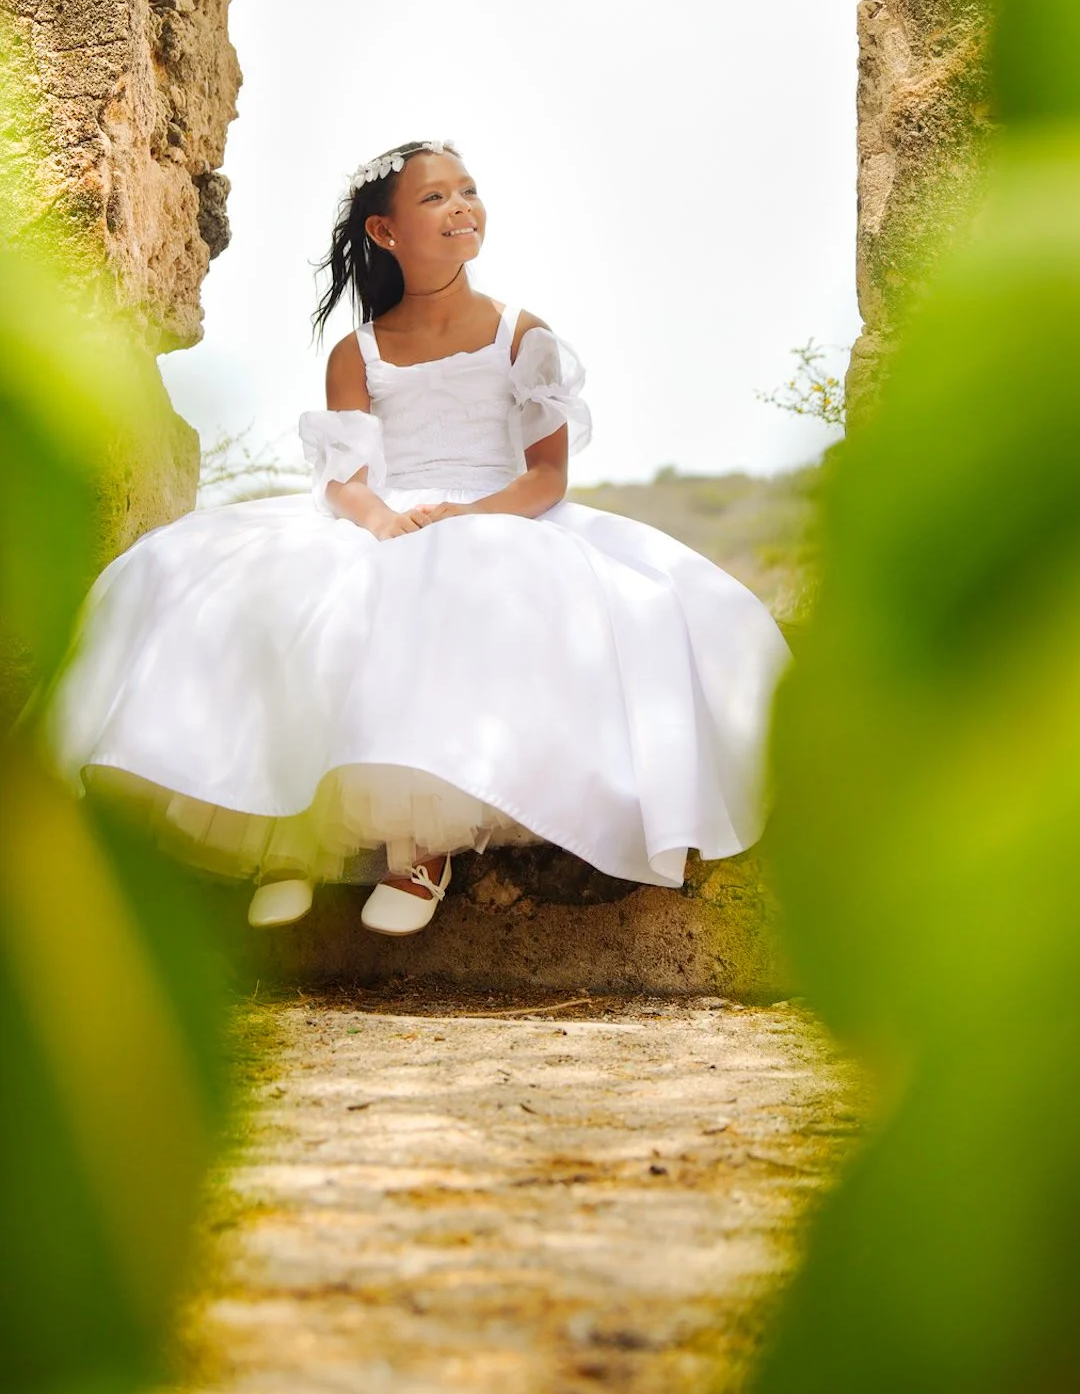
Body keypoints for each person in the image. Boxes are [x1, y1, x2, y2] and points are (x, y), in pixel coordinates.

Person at [54, 139, 790, 934]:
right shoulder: (357, 350)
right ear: (384, 233)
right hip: (385, 510)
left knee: (461, 580)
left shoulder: (522, 335)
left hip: (497, 507)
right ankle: (290, 844)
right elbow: (344, 475)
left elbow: (546, 478)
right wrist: (379, 520)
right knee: (262, 586)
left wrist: (468, 519)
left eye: (468, 190)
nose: (460, 207)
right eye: (435, 197)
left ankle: (422, 850)